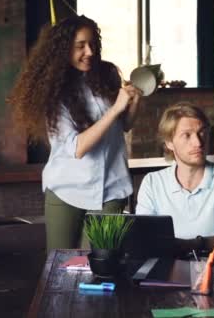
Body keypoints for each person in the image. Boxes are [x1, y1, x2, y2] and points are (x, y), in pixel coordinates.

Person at [9, 15, 142, 252]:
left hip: (112, 187)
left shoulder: (107, 74)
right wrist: (115, 109)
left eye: (92, 44)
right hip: (66, 189)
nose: (89, 51)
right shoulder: (53, 92)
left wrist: (134, 102)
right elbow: (77, 148)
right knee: (62, 264)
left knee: (100, 261)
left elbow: (124, 125)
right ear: (63, 49)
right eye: (80, 46)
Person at [136, 103, 214, 252]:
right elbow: (143, 238)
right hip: (169, 263)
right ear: (169, 143)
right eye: (187, 135)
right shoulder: (152, 182)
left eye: (201, 132)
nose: (198, 142)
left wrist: (197, 244)